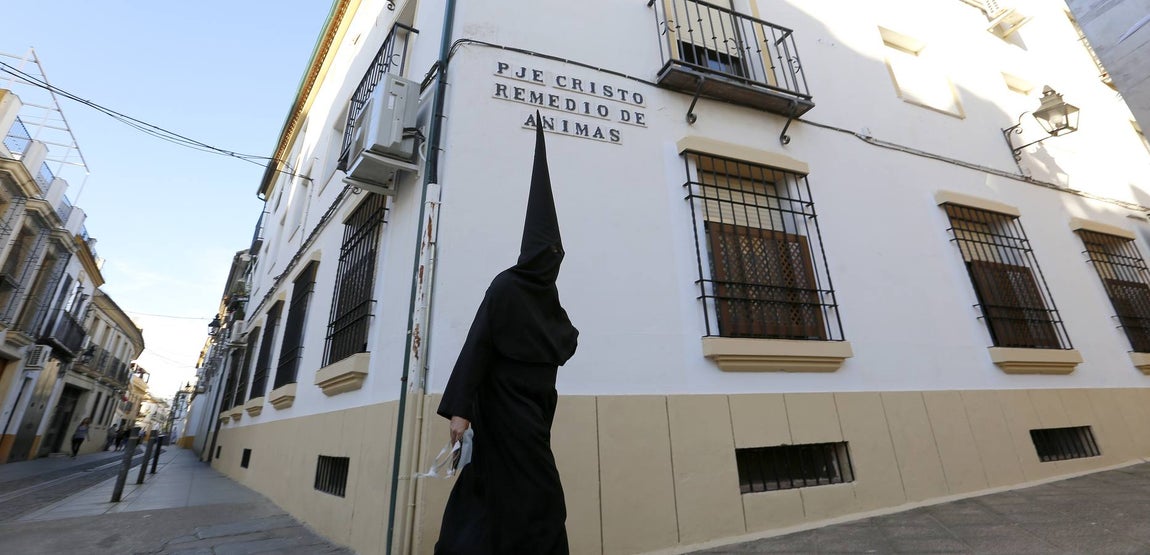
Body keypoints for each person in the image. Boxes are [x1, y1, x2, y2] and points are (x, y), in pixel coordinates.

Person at [435, 112, 579, 554]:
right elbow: (476, 345)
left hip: (534, 413)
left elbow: (564, 340)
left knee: (523, 495)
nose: (552, 259)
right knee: (531, 494)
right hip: (501, 410)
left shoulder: (546, 296)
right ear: (532, 252)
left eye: (557, 253)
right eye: (547, 252)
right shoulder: (506, 286)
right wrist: (460, 412)